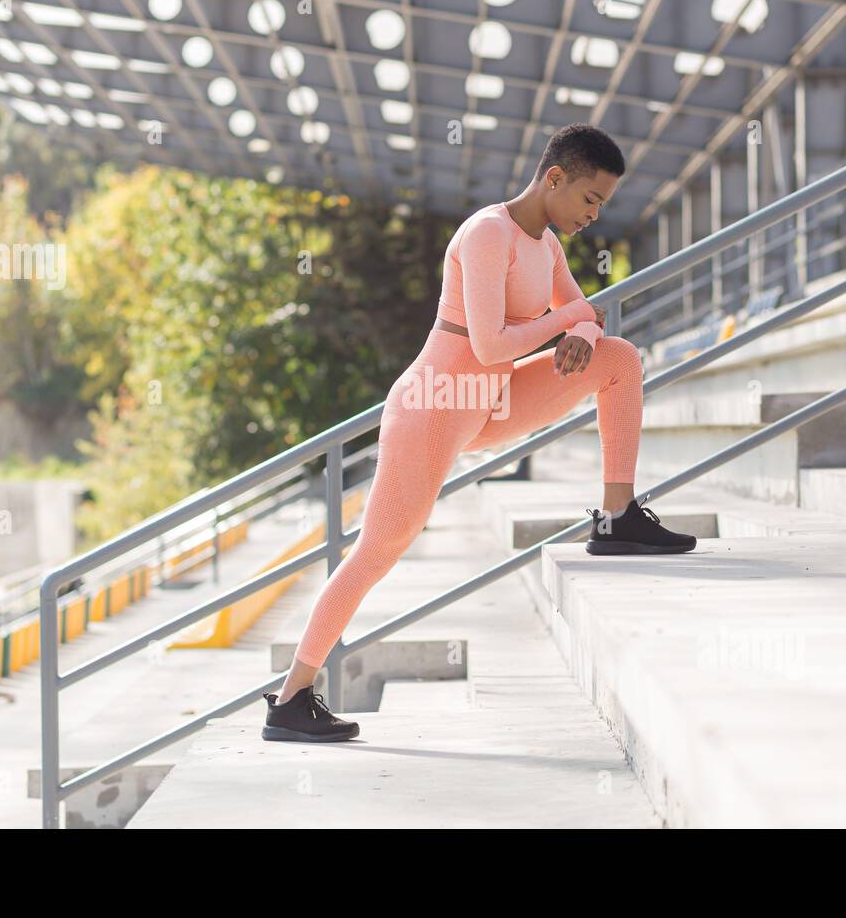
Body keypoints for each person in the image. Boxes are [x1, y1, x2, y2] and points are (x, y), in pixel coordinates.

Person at [262, 124, 696, 743]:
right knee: (379, 549)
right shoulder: (488, 232)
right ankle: (291, 698)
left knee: (620, 359)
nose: (593, 216)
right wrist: (573, 319)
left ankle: (616, 514)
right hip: (436, 402)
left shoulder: (546, 244)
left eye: (601, 205)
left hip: (489, 401)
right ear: (554, 178)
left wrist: (585, 332)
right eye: (590, 200)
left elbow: (588, 318)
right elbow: (492, 346)